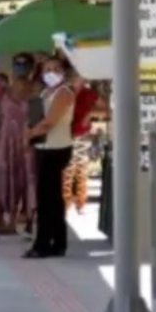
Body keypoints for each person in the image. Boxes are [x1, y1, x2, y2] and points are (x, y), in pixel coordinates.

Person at [24, 56, 76, 259]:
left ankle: (44, 244)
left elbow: (49, 121)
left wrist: (29, 134)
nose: (51, 73)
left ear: (63, 72)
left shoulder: (64, 93)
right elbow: (36, 117)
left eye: (55, 69)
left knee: (48, 199)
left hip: (56, 148)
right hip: (43, 147)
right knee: (50, 198)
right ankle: (57, 242)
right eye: (47, 69)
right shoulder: (45, 92)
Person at [0, 58, 37, 244]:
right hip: (5, 141)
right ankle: (1, 223)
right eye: (17, 64)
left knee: (28, 180)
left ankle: (29, 224)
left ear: (31, 68)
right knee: (3, 180)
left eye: (24, 65)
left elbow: (38, 117)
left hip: (27, 141)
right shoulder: (6, 90)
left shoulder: (36, 90)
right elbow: (0, 117)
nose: (20, 68)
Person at [61, 72, 93, 215]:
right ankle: (66, 202)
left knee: (81, 169)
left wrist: (89, 115)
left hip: (82, 135)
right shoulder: (64, 93)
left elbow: (103, 108)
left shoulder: (89, 94)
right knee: (67, 171)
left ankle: (81, 202)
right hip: (67, 134)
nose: (75, 81)